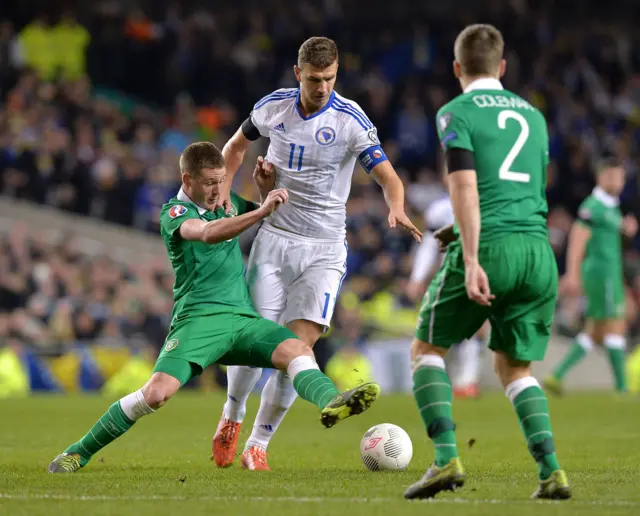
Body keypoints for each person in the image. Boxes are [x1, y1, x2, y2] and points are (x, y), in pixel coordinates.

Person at [47, 142, 380, 473]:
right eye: (209, 182)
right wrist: (260, 210)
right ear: (187, 179)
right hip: (199, 321)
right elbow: (207, 233)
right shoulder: (174, 213)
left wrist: (264, 193)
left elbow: (268, 220)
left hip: (242, 320)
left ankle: (332, 402)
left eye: (222, 180)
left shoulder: (227, 201)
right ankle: (78, 452)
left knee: (298, 350)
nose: (218, 189)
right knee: (157, 394)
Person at [211, 36, 422, 471]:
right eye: (313, 79)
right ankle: (231, 416)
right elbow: (234, 147)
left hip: (324, 249)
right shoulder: (274, 107)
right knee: (256, 342)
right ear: (298, 74)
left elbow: (389, 178)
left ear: (336, 73)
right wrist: (223, 196)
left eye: (329, 78)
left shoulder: (350, 120)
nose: (322, 86)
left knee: (298, 346)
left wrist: (396, 206)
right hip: (274, 238)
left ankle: (258, 445)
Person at [403, 24, 571, 500]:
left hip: (490, 247)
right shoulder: (534, 117)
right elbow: (523, 190)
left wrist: (470, 255)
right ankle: (552, 471)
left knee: (426, 350)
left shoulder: (455, 112)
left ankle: (445, 460)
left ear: (458, 68)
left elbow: (464, 186)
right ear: (502, 67)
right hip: (537, 251)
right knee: (515, 369)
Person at [545, 160, 638, 395]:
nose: (618, 182)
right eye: (613, 176)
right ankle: (621, 387)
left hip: (610, 273)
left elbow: (608, 237)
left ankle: (557, 375)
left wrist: (625, 229)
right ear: (601, 177)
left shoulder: (610, 207)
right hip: (601, 273)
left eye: (621, 177)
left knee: (595, 330)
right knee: (615, 325)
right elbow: (578, 236)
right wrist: (573, 274)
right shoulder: (593, 206)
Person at [407, 173, 489, 399]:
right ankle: (447, 380)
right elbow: (429, 246)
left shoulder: (486, 203)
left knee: (475, 326)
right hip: (449, 275)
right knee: (443, 328)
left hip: (481, 270)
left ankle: (468, 382)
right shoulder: (440, 209)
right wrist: (417, 277)